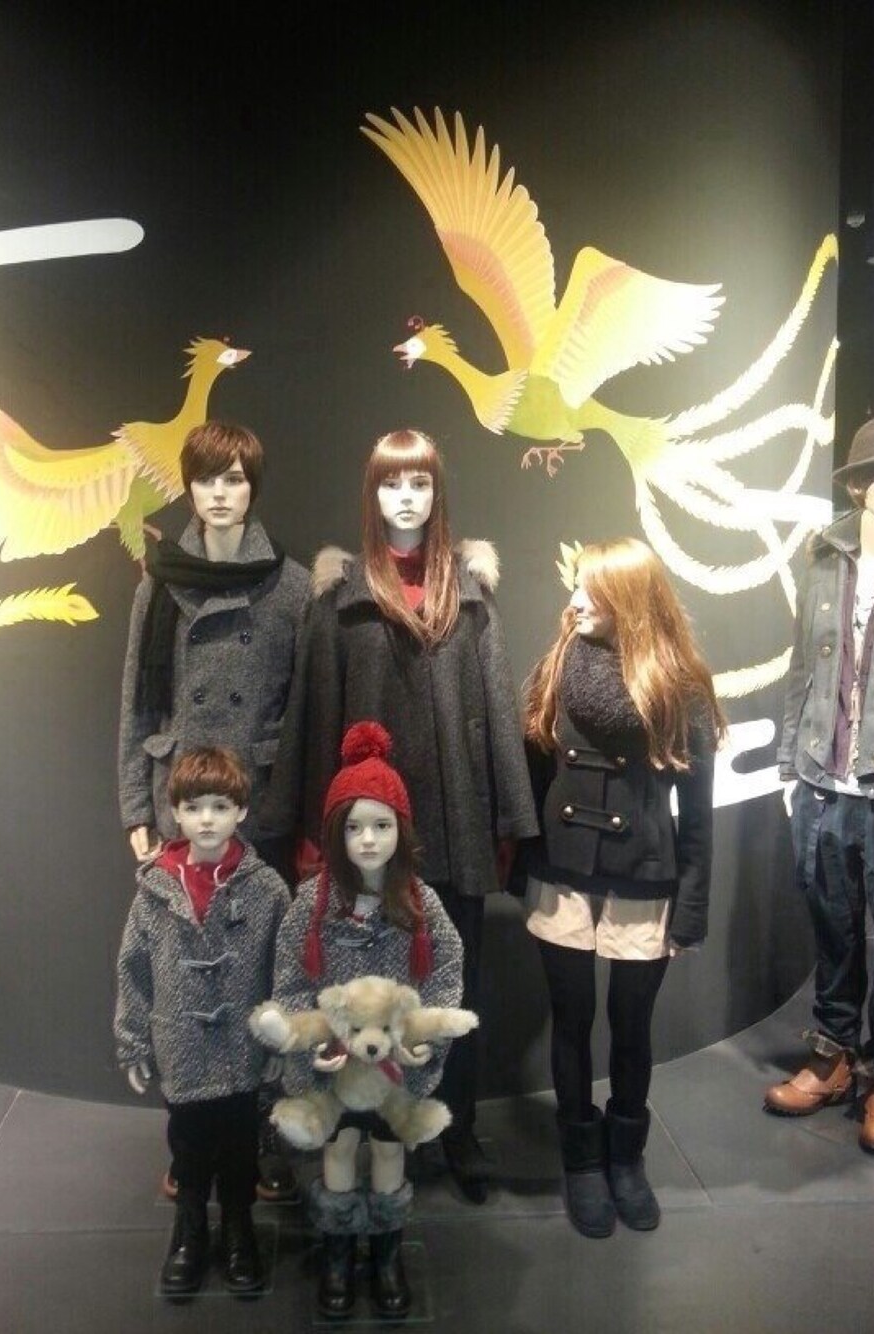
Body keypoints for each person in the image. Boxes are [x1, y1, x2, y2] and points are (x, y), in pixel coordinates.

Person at [260, 428, 537, 1203]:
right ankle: (371, 1128)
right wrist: (311, 831)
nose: (406, 498)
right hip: (367, 833)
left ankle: (456, 1125)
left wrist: (510, 820)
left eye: (419, 483)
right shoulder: (341, 600)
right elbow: (314, 717)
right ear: (372, 493)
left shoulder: (469, 595)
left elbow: (497, 709)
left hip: (454, 820)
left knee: (455, 985)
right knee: (366, 988)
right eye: (391, 483)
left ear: (437, 492)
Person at [117, 419, 308, 1201]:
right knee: (184, 981)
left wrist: (293, 804)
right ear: (189, 487)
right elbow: (137, 700)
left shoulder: (290, 586)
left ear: (252, 487)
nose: (220, 494)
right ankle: (191, 1140)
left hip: (258, 805)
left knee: (263, 973)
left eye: (234, 479)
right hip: (181, 801)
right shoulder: (159, 582)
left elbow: (303, 710)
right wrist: (135, 799)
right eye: (207, 479)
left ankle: (260, 1134)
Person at [520, 537, 723, 1236]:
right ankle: (581, 1159)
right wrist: (523, 863)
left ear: (630, 601)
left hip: (643, 875)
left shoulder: (679, 684)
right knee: (571, 1019)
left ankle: (626, 1157)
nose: (575, 600)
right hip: (564, 872)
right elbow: (533, 777)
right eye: (577, 585)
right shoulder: (556, 665)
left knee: (632, 1025)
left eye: (593, 590)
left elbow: (697, 813)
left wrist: (690, 909)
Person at [269, 721, 464, 1318]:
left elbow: (445, 973)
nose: (369, 840)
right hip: (335, 1066)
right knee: (339, 1145)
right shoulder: (311, 905)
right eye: (354, 828)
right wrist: (312, 1046)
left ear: (401, 830)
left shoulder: (421, 904)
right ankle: (337, 1249)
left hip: (394, 1069)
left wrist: (424, 1041)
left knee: (386, 1149)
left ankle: (385, 1251)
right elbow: (290, 984)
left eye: (381, 826)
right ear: (336, 833)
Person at [114, 746, 291, 1297]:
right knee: (188, 1144)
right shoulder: (155, 889)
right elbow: (133, 967)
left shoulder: (267, 890)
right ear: (175, 813)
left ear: (242, 810)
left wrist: (282, 1041)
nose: (207, 820)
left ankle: (238, 1228)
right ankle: (188, 1230)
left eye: (220, 806)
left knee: (239, 1145)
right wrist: (132, 1040)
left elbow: (285, 971)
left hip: (243, 1047)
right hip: (181, 1043)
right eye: (193, 808)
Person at [766, 415, 874, 1155]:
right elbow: (802, 667)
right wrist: (790, 766)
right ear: (862, 486)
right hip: (823, 780)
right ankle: (835, 1055)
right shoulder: (825, 554)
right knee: (833, 929)